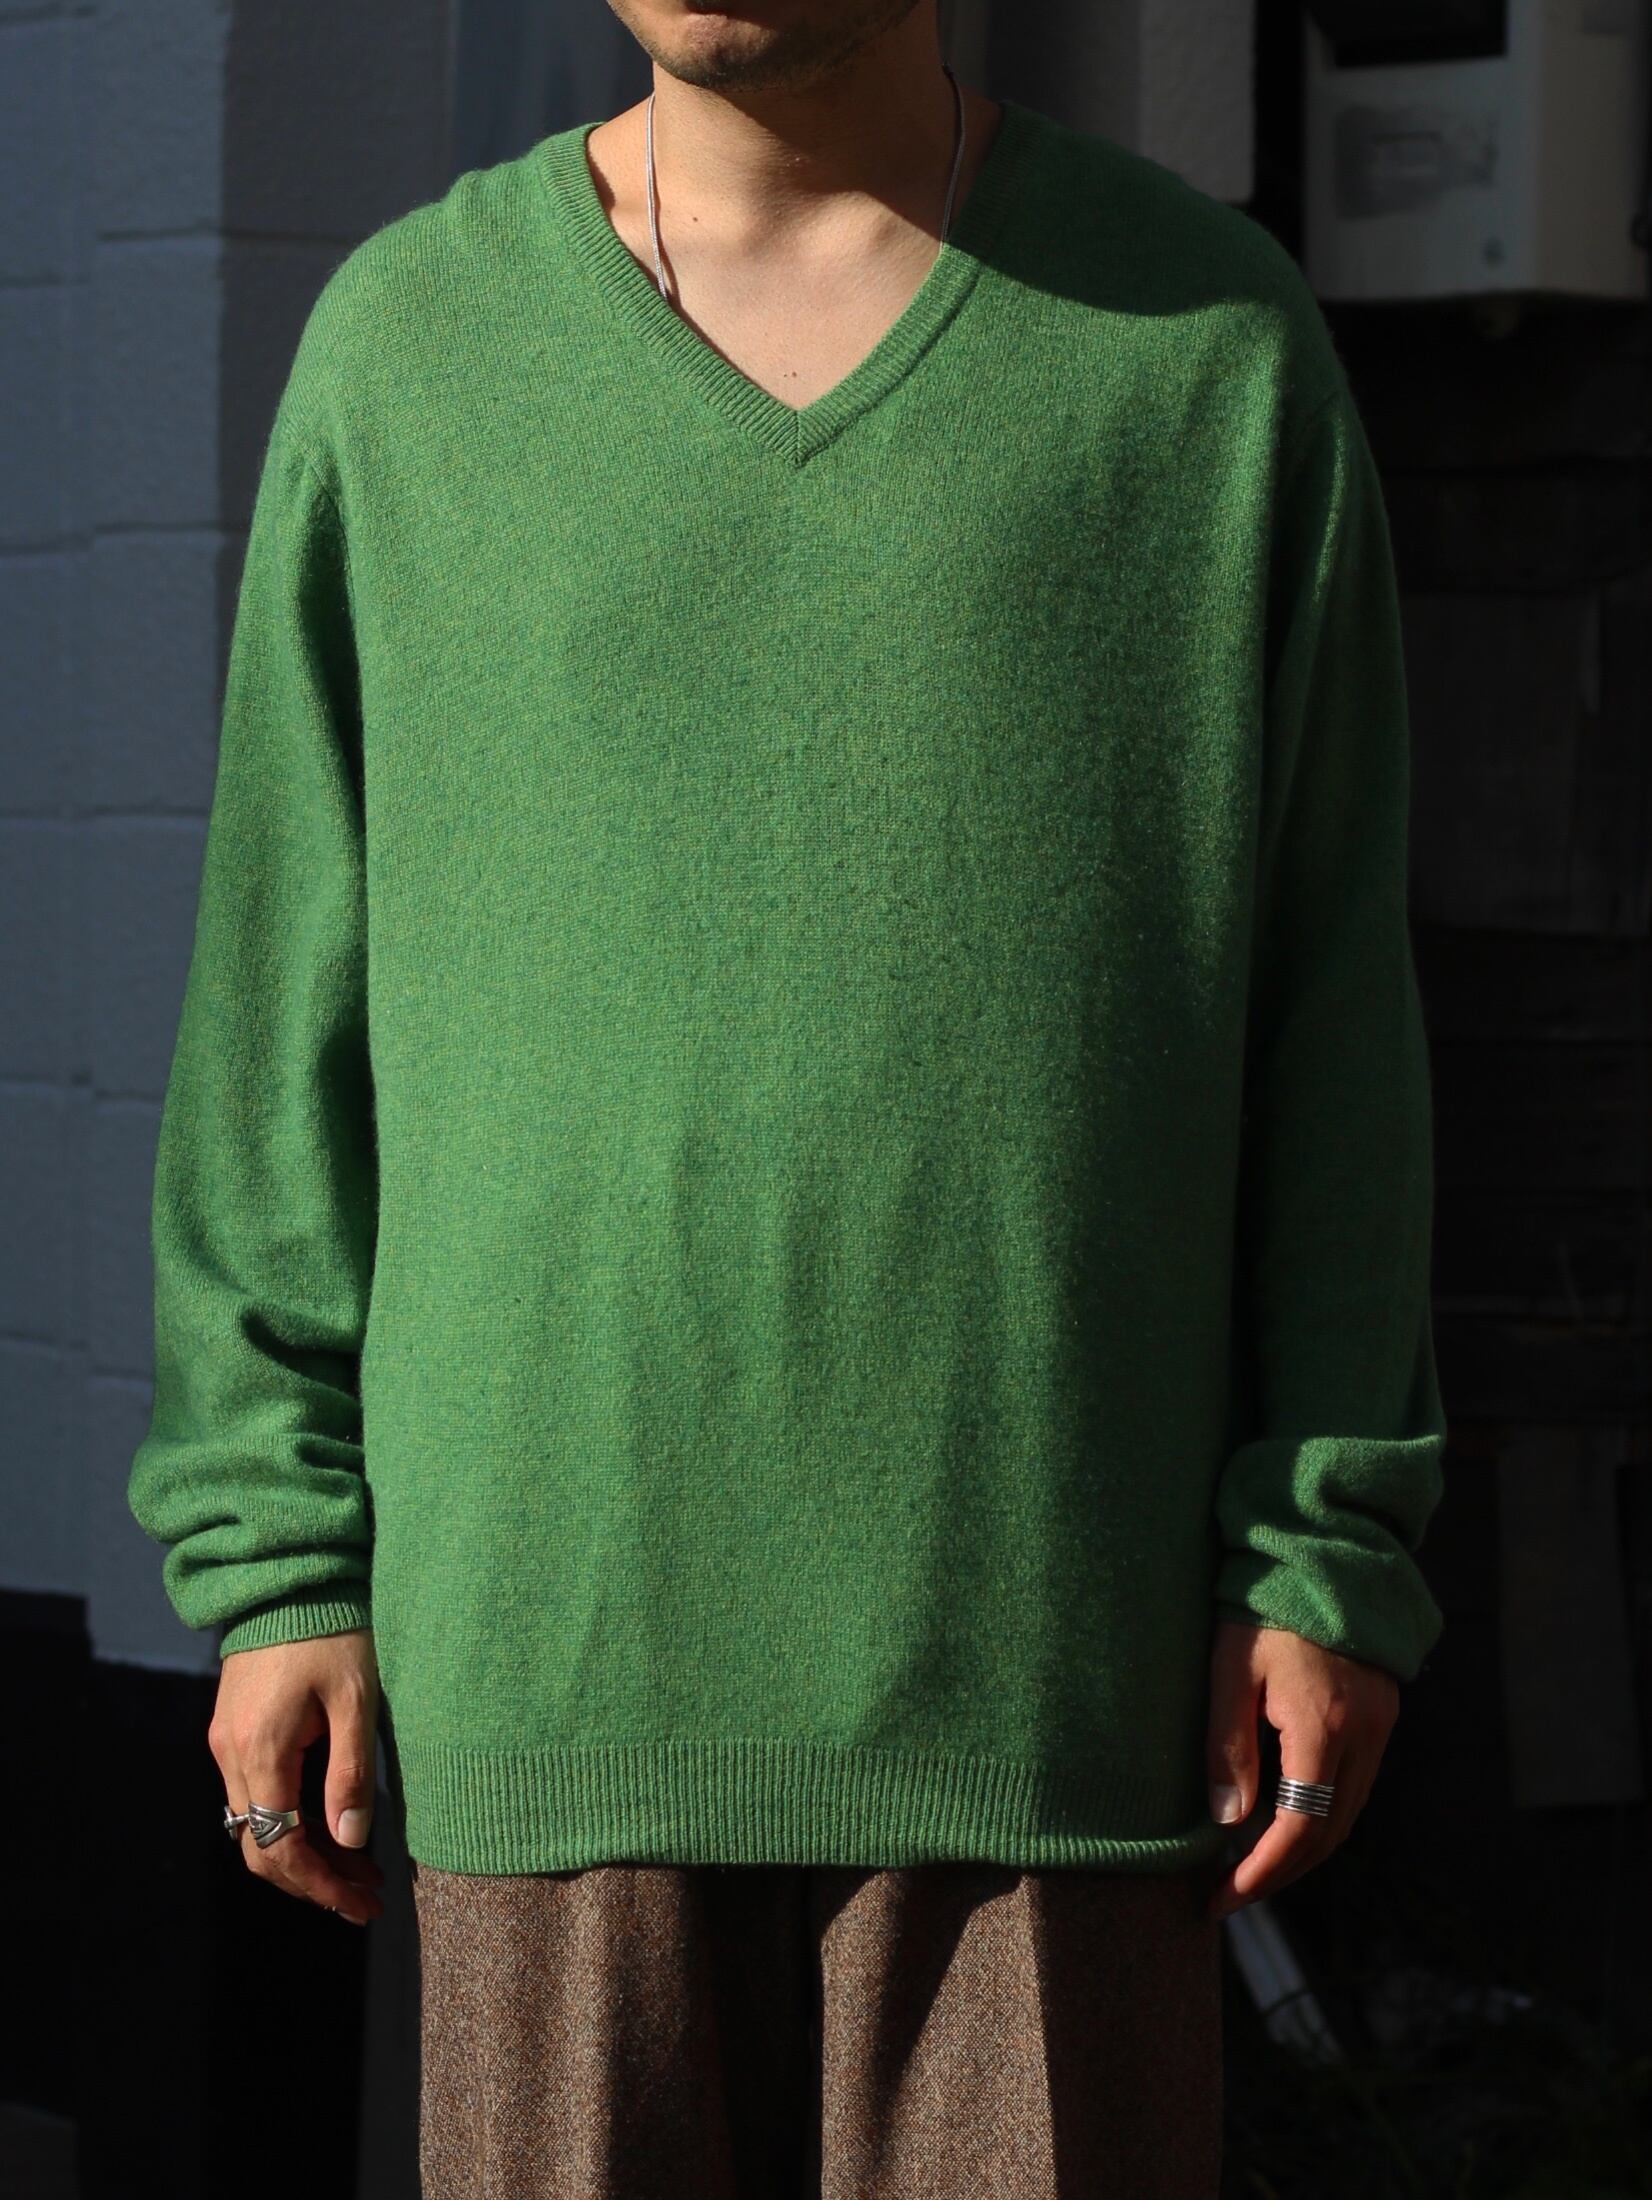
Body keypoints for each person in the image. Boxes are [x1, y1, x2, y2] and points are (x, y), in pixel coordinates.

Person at [127, 2, 1449, 2192]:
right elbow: (283, 1001)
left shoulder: (1202, 345)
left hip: (1050, 1662)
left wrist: (1322, 1540)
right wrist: (274, 1557)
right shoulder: (411, 350)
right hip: (545, 1660)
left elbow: (1329, 1015)